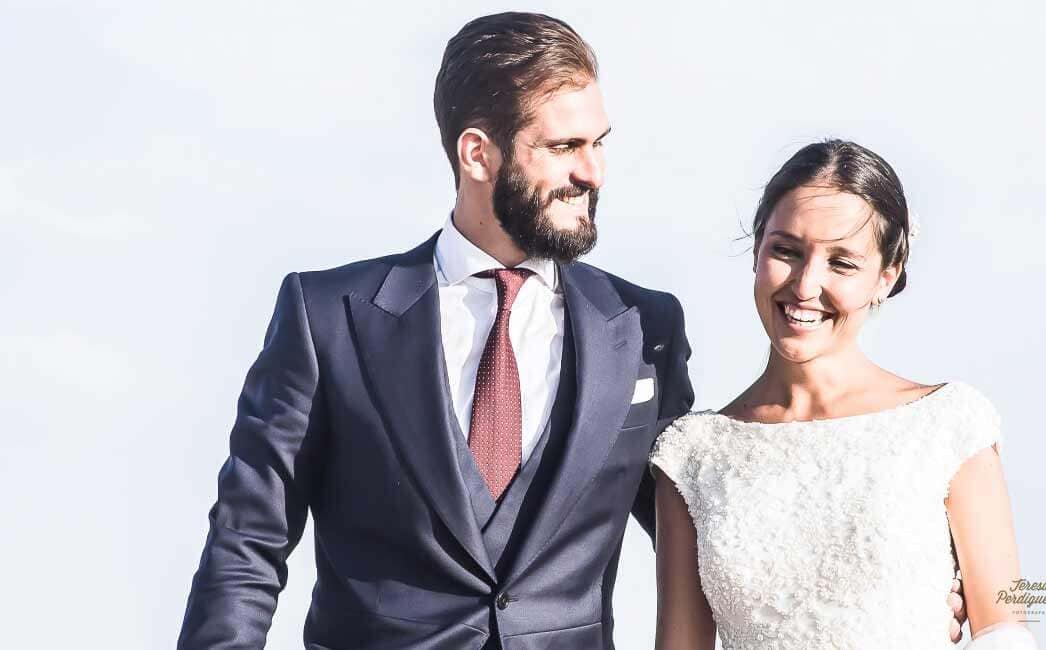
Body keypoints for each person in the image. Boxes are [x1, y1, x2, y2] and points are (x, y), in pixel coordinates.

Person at [177, 12, 695, 649]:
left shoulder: (646, 330)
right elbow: (245, 544)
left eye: (599, 142)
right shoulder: (327, 317)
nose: (594, 172)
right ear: (477, 153)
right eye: (563, 147)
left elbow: (700, 537)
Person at [650, 139, 1038, 648]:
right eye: (785, 251)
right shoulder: (693, 455)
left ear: (887, 275)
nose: (806, 285)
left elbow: (1008, 623)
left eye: (842, 263)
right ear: (756, 252)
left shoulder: (950, 424)